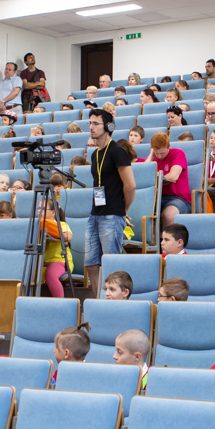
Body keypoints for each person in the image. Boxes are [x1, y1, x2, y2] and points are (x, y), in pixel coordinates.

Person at [85, 109, 136, 293]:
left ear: (108, 127)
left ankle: (115, 303)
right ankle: (99, 302)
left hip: (112, 215)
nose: (91, 127)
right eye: (90, 123)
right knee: (91, 264)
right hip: (95, 214)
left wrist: (123, 210)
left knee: (112, 265)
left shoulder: (117, 151)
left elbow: (130, 186)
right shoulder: (95, 154)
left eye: (95, 123)